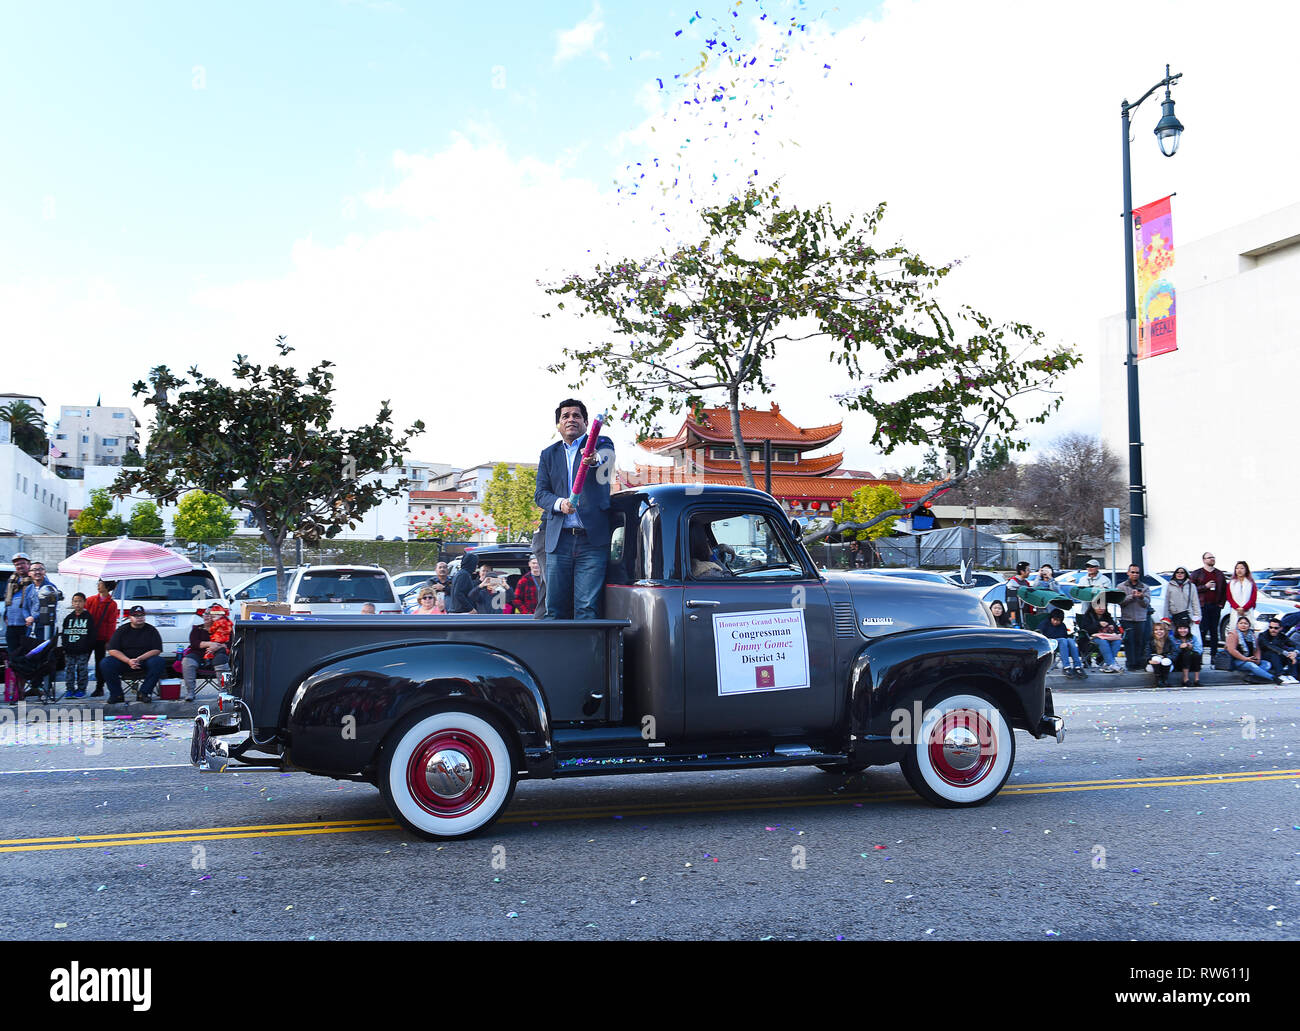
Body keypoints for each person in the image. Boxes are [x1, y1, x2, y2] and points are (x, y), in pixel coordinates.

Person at [535, 399, 614, 620]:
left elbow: (605, 459)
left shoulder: (601, 443)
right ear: (558, 425)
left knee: (587, 609)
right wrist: (561, 504)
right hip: (559, 541)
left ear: (586, 422)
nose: (571, 419)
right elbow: (540, 494)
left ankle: (587, 655)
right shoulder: (548, 454)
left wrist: (594, 458)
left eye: (576, 415)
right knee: (555, 609)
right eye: (565, 416)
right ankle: (555, 654)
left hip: (591, 542)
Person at [99, 605, 169, 704]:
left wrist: (139, 659)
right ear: (130, 618)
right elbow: (112, 650)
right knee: (106, 663)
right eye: (136, 615)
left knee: (158, 661)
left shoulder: (151, 630)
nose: (139, 617)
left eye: (141, 615)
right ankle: (116, 694)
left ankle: (144, 693)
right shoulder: (122, 630)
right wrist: (128, 661)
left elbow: (157, 650)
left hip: (144, 661)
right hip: (125, 662)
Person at [22, 562, 61, 699]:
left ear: (44, 571)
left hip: (46, 628)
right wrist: (27, 617)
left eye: (40, 569)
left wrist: (34, 617)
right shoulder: (29, 589)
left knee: (47, 658)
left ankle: (47, 687)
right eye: (34, 570)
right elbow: (25, 607)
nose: (37, 572)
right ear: (29, 573)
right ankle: (35, 686)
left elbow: (48, 608)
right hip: (32, 628)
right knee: (33, 657)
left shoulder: (50, 588)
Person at [182, 606, 231, 702]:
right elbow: (194, 643)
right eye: (205, 614)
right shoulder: (197, 629)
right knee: (187, 661)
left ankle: (223, 692)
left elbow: (229, 644)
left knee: (221, 659)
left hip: (218, 655)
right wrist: (210, 644)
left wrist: (217, 646)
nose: (206, 616)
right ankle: (190, 692)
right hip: (199, 654)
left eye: (210, 614)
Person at [1190, 552, 1228, 665]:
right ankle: (1199, 657)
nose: (1212, 559)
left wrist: (1221, 604)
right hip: (1202, 606)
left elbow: (1225, 590)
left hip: (1215, 606)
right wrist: (1205, 587)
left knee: (1214, 632)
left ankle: (1213, 656)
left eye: (1213, 557)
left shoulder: (1219, 574)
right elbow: (1191, 589)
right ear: (1203, 560)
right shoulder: (1197, 573)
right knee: (1202, 631)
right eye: (1209, 558)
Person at [84, 579, 119, 697]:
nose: (98, 586)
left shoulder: (112, 604)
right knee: (83, 662)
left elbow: (111, 624)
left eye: (101, 584)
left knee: (100, 663)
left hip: (102, 638)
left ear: (107, 586)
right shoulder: (90, 600)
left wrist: (109, 641)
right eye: (98, 584)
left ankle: (99, 687)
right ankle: (81, 686)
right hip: (88, 637)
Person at [60, 592, 96, 699]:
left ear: (84, 603)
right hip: (69, 650)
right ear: (72, 602)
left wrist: (88, 647)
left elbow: (92, 634)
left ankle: (81, 689)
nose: (77, 604)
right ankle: (69, 689)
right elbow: (64, 634)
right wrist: (65, 646)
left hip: (83, 650)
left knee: (82, 670)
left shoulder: (88, 617)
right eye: (75, 601)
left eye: (80, 601)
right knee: (69, 669)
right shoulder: (68, 618)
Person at [1119, 564, 1152, 671]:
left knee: (1140, 642)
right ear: (1128, 573)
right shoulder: (1121, 586)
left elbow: (1146, 604)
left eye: (1137, 572)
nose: (1135, 574)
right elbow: (1120, 602)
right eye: (1132, 572)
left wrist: (1141, 597)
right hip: (1127, 618)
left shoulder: (1145, 587)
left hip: (1141, 619)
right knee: (1129, 642)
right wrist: (1131, 597)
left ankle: (1139, 663)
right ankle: (1130, 663)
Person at [1224, 614, 1275, 683]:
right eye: (1241, 623)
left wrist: (1257, 659)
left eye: (1245, 623)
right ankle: (1273, 678)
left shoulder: (1252, 635)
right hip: (1237, 661)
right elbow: (1232, 650)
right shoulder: (1233, 634)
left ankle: (1251, 677)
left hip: (1250, 659)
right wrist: (1245, 659)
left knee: (1267, 664)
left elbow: (1257, 649)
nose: (1243, 625)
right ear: (1237, 625)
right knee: (1251, 665)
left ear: (1249, 625)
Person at [1076, 598, 1121, 671]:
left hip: (1107, 637)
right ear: (1093, 607)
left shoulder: (1107, 616)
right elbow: (1085, 629)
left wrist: (1112, 627)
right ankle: (1111, 664)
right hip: (1091, 638)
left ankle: (1107, 663)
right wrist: (1098, 624)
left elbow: (1115, 628)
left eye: (1103, 607)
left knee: (1117, 641)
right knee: (1103, 642)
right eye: (1098, 607)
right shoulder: (1087, 616)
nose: (1101, 609)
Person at [1038, 609, 1086, 678]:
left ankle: (1077, 666)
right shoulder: (1045, 624)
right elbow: (1041, 634)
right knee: (1063, 640)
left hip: (1061, 641)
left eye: (1058, 620)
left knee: (1071, 641)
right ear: (1051, 618)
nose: (1055, 622)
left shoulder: (1062, 625)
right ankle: (1066, 667)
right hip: (1049, 641)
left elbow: (1065, 635)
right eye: (1054, 619)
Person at [3, 552, 33, 656]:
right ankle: (14, 672)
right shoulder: (12, 580)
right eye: (17, 564)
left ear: (29, 564)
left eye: (22, 563)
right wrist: (5, 614)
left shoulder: (35, 579)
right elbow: (7, 597)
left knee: (26, 655)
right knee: (12, 654)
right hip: (11, 625)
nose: (20, 566)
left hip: (26, 625)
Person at [1259, 617, 1299, 684]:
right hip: (1266, 656)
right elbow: (1269, 646)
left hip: (1279, 656)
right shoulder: (1263, 635)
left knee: (1291, 650)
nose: (1272, 630)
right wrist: (1286, 653)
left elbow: (1295, 645)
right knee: (1273, 653)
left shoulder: (1281, 636)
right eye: (1270, 627)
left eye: (1275, 628)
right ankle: (1280, 674)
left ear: (1280, 628)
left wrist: (1295, 653)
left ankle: (1292, 675)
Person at [1170, 618, 1203, 686]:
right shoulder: (1172, 638)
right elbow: (1172, 652)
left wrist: (1191, 647)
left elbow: (1199, 650)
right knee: (1186, 654)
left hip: (1191, 661)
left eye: (1185, 628)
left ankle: (1197, 679)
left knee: (1196, 654)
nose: (1182, 630)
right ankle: (1185, 679)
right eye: (1180, 628)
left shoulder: (1193, 638)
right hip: (1178, 661)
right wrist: (1180, 647)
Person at [1226, 561, 1258, 626]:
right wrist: (1237, 608)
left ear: (1246, 570)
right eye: (1237, 568)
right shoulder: (1231, 583)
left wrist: (1244, 608)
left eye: (1242, 568)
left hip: (1248, 611)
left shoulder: (1251, 583)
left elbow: (1253, 598)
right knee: (1235, 630)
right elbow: (1229, 597)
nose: (1239, 570)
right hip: (1235, 611)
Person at [1146, 620, 1176, 686]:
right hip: (1153, 664)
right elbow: (1146, 654)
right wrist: (1149, 660)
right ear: (1153, 632)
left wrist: (1164, 657)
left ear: (1165, 631)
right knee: (1156, 658)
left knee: (1165, 660)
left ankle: (1165, 680)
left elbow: (1174, 654)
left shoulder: (1170, 640)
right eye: (1156, 630)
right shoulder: (1150, 640)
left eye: (1161, 629)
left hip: (1167, 664)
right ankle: (1158, 681)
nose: (1159, 632)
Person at [1005, 562, 1032, 628]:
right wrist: (1013, 621)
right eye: (1028, 570)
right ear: (1022, 571)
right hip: (1017, 616)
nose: (1030, 572)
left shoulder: (1025, 583)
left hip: (1024, 614)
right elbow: (1011, 604)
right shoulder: (1012, 584)